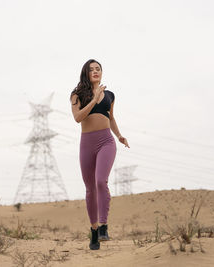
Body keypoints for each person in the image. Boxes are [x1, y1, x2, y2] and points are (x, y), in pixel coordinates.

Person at [70, 59, 130, 250]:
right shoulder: (77, 94)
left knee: (100, 181)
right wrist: (94, 100)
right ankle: (94, 231)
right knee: (90, 189)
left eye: (98, 69)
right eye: (91, 69)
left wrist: (119, 135)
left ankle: (104, 226)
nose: (95, 72)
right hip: (86, 144)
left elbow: (111, 118)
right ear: (86, 73)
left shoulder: (110, 95)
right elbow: (78, 118)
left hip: (106, 141)